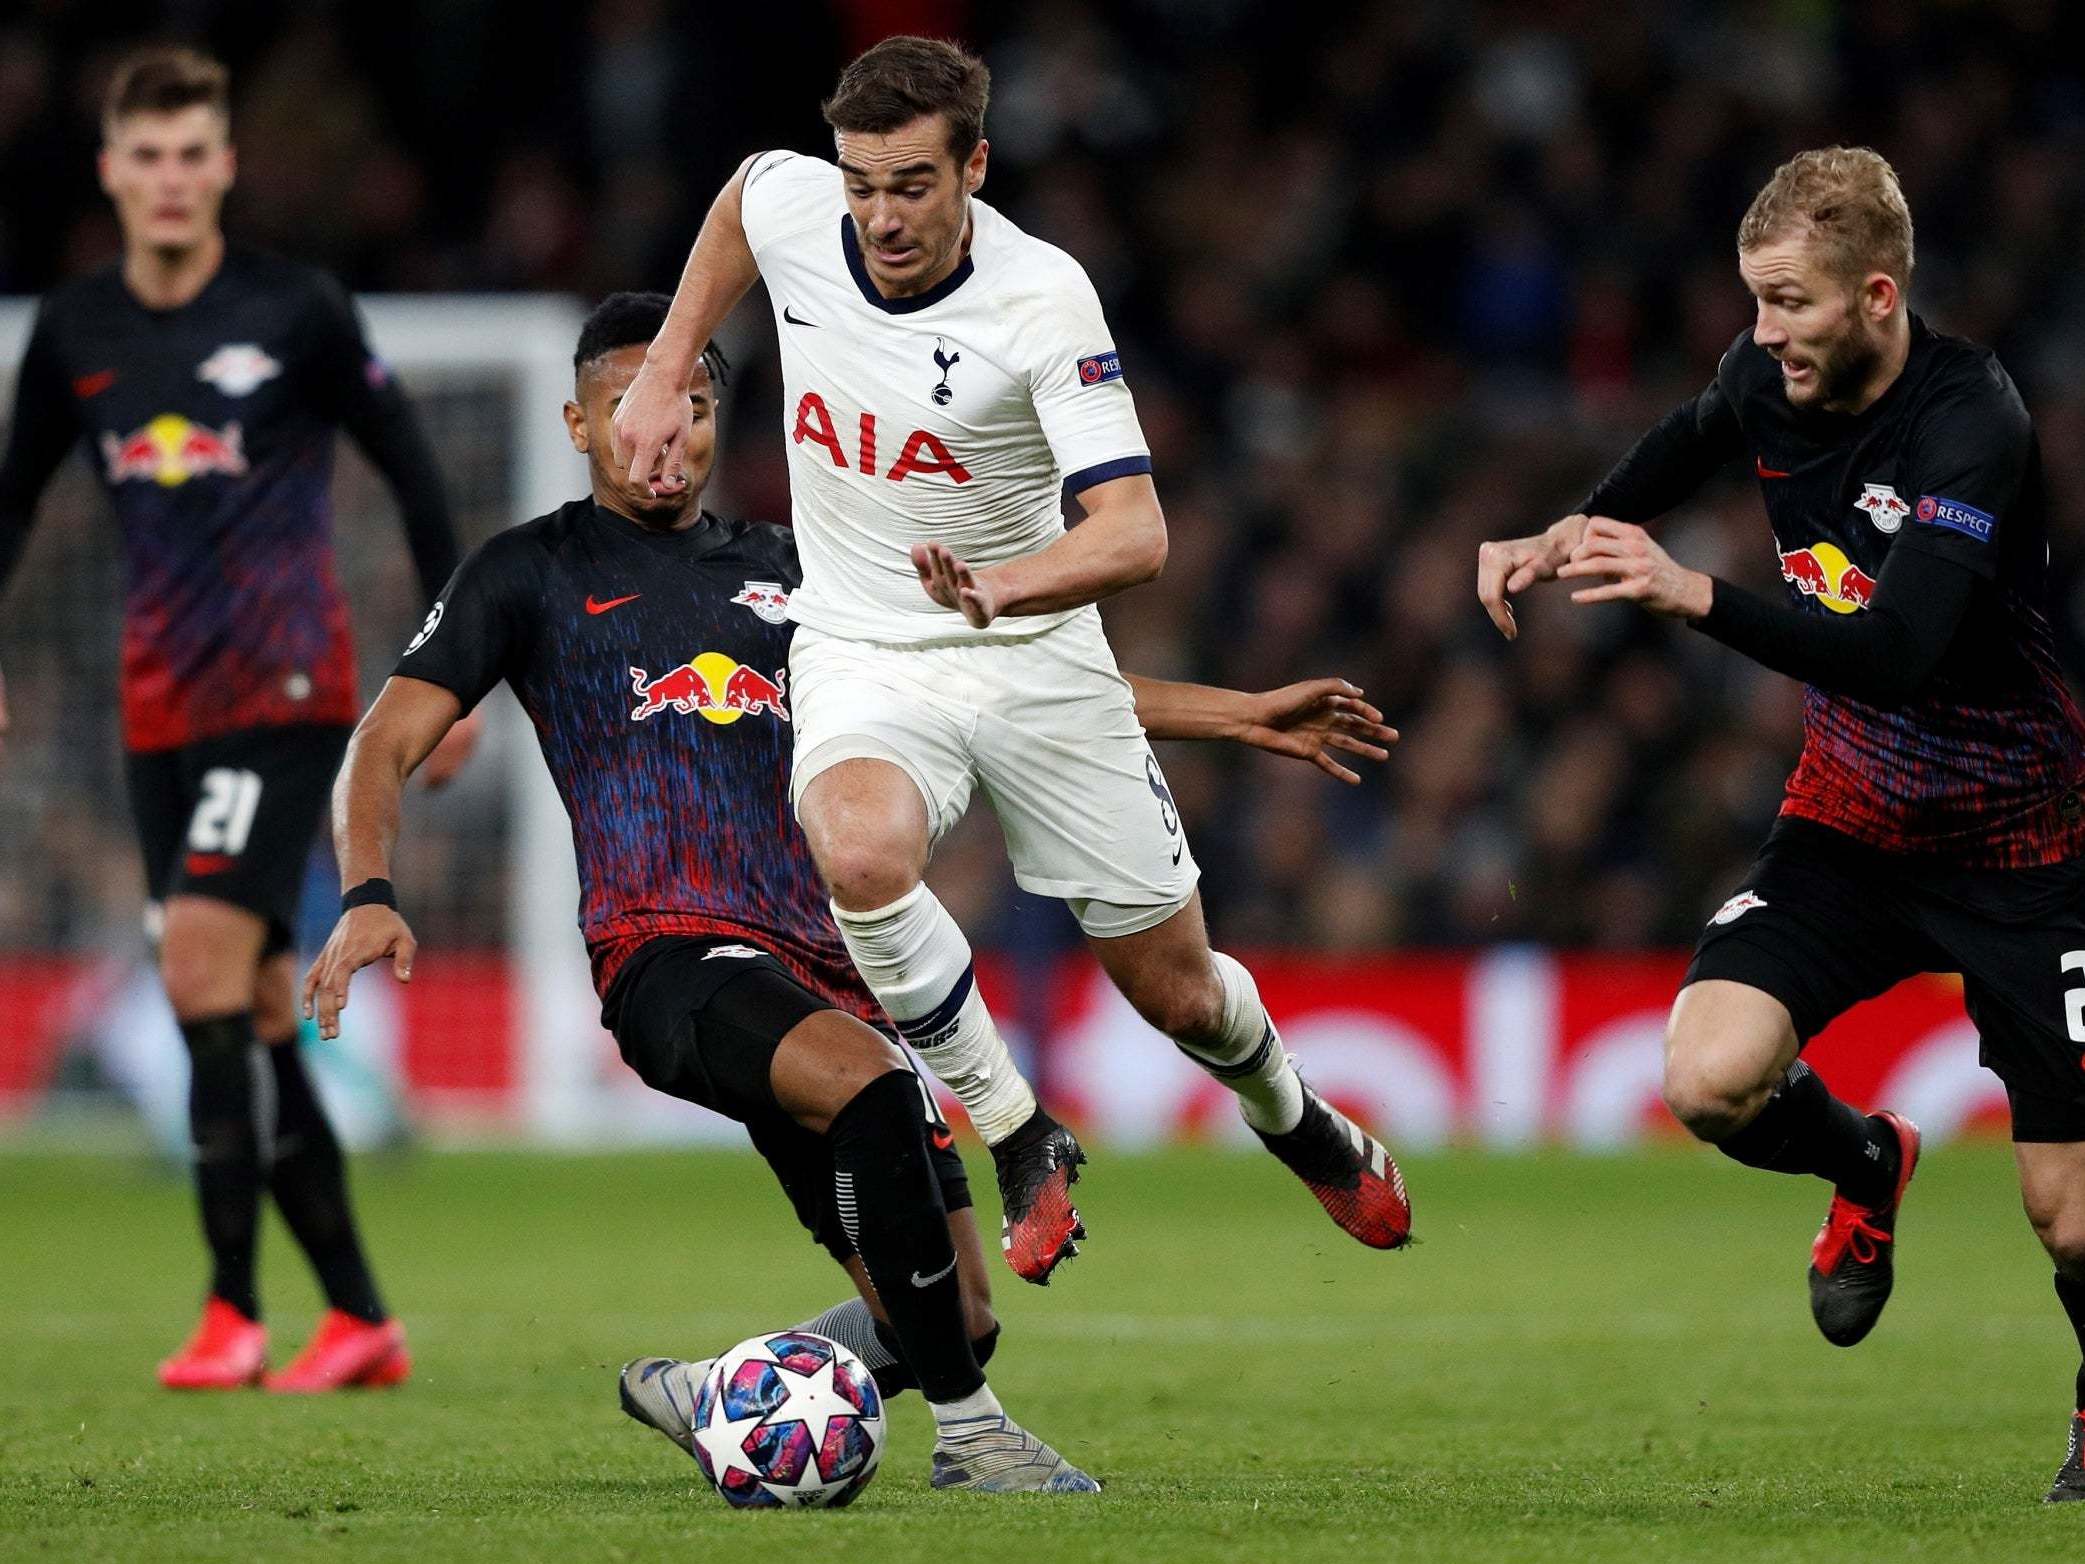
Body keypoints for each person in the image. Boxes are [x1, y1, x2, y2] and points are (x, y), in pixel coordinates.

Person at [301, 289, 1394, 1492]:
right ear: (579, 423)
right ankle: (977, 1443)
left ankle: (722, 1393)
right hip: (669, 955)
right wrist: (368, 888)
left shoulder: (798, 568)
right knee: (873, 1089)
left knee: (956, 1315)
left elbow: (1010, 683)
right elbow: (386, 739)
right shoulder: (528, 572)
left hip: (830, 971)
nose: (664, 438)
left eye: (694, 410)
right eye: (631, 412)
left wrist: (1239, 713)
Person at [608, 35, 1411, 1286]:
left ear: (974, 166)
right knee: (859, 850)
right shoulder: (796, 201)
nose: (879, 215)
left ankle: (1297, 1119)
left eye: (912, 185)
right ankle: (1020, 1131)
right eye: (862, 182)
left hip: (1033, 650)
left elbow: (1137, 532)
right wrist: (667, 365)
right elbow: (740, 205)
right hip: (867, 638)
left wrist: (1002, 584)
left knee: (1182, 995)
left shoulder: (1043, 300)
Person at [1476, 146, 2085, 1503]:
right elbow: (1691, 437)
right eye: (1753, 302)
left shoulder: (1967, 418)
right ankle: (1865, 1158)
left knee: (2073, 1222)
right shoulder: (1766, 378)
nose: (1762, 335)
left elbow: (1905, 649)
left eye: (1789, 304)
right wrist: (1562, 531)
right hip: (1852, 825)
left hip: (2028, 849)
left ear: (1875, 295)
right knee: (1706, 1079)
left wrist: (1694, 596)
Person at [0, 46, 475, 1392]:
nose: (166, 178)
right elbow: (14, 504)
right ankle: (360, 1317)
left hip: (286, 693)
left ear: (222, 167)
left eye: (188, 153)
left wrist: (443, 682)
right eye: (142, 156)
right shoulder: (77, 332)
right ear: (111, 172)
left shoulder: (297, 310)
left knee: (200, 969)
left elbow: (416, 476)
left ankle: (229, 1313)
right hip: (154, 714)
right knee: (257, 999)